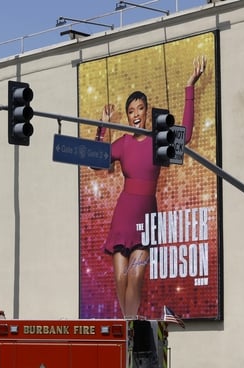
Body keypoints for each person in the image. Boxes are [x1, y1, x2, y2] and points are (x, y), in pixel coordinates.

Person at [95, 56, 206, 318]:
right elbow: (95, 161)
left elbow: (186, 134)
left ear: (147, 111)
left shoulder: (159, 141)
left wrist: (189, 87)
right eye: (131, 110)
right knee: (121, 280)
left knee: (136, 278)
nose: (136, 115)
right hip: (122, 219)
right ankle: (128, 329)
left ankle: (130, 326)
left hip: (146, 219)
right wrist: (102, 125)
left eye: (140, 109)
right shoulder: (122, 143)